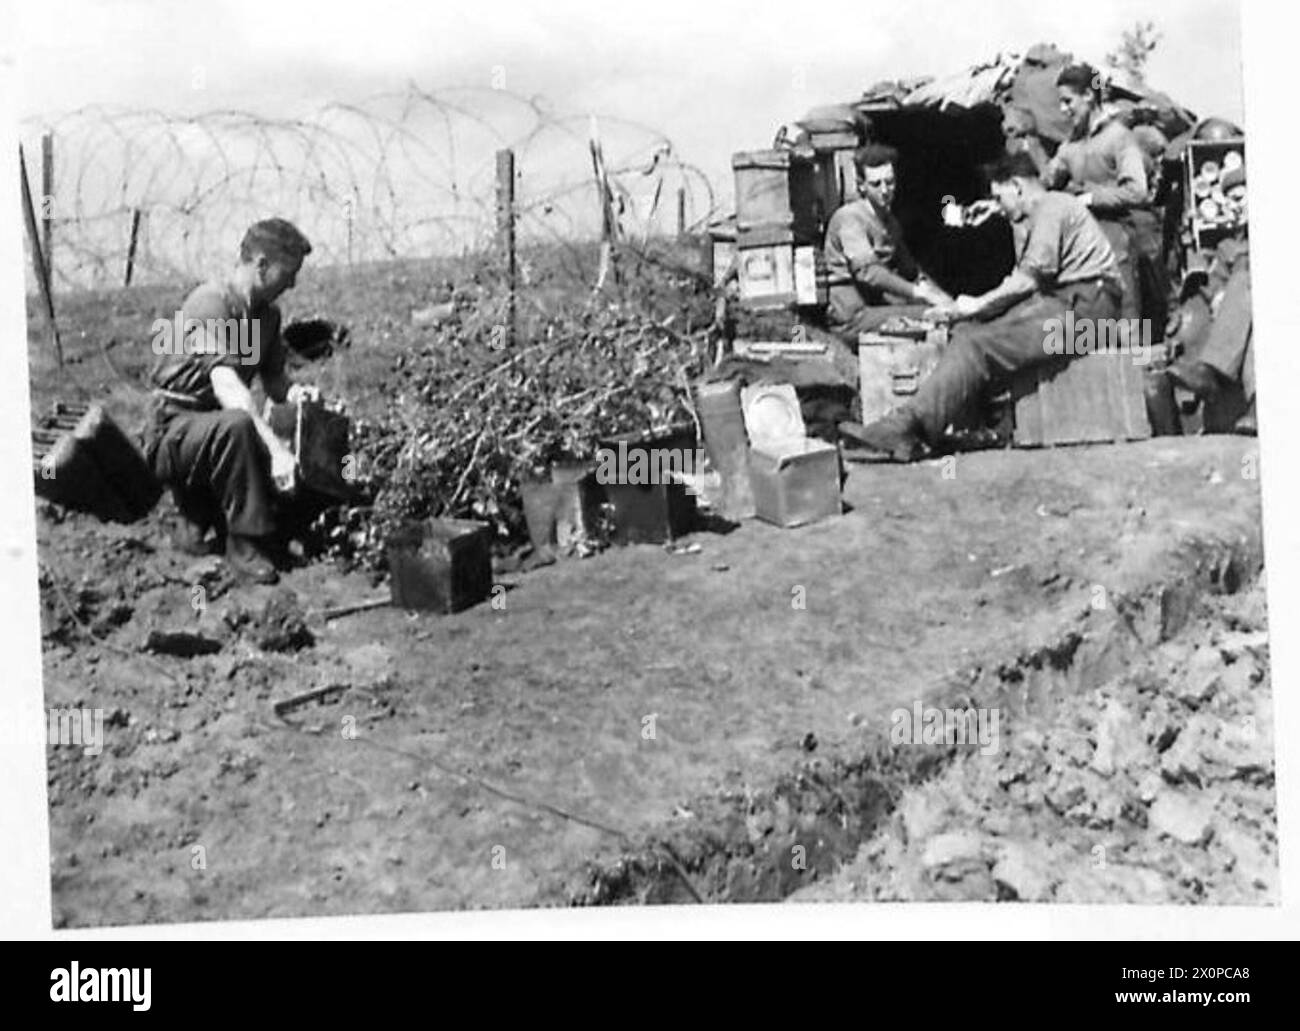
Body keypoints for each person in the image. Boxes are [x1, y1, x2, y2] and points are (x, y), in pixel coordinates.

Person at [838, 152, 1121, 460]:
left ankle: (906, 427)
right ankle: (958, 426)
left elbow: (1028, 279)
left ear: (1016, 186)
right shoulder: (1049, 207)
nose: (998, 205)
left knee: (975, 343)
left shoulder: (1052, 207)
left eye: (1000, 197)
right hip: (1075, 309)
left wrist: (976, 304)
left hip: (1089, 320)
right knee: (970, 332)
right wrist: (998, 210)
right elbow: (1029, 263)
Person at [144, 218, 317, 584]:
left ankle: (201, 515)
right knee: (241, 425)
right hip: (172, 431)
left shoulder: (266, 317)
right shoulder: (211, 303)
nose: (293, 283)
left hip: (210, 431)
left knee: (250, 429)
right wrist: (275, 451)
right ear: (262, 265)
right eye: (289, 272)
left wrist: (298, 395)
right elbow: (230, 391)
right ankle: (244, 545)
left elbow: (273, 381)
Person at [1044, 63, 1156, 325]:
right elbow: (1047, 182)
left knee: (1127, 319)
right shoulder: (1069, 146)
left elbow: (1137, 191)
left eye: (1067, 101)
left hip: (1118, 235)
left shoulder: (1118, 137)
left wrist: (1090, 199)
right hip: (1082, 240)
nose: (1063, 109)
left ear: (1088, 96)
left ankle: (1136, 355)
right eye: (1060, 103)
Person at [822, 143, 952, 337]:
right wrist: (918, 293)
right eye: (876, 184)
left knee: (946, 312)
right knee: (932, 316)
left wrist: (944, 298)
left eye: (889, 182)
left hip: (875, 309)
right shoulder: (850, 219)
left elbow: (911, 271)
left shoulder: (890, 222)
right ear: (861, 185)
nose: (885, 190)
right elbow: (868, 272)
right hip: (852, 318)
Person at [1165, 165, 1254, 434]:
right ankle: (1256, 407)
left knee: (1246, 283)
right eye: (1230, 201)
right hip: (1245, 319)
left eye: (1240, 199)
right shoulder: (1230, 247)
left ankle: (1212, 371)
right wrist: (1217, 295)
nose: (1235, 208)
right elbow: (1214, 282)